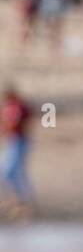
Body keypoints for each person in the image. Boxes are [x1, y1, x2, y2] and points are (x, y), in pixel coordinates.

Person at [2, 85, 35, 220]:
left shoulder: (18, 107)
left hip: (19, 141)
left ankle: (22, 200)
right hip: (14, 141)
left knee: (11, 172)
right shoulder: (10, 107)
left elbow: (19, 122)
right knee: (11, 172)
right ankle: (19, 200)